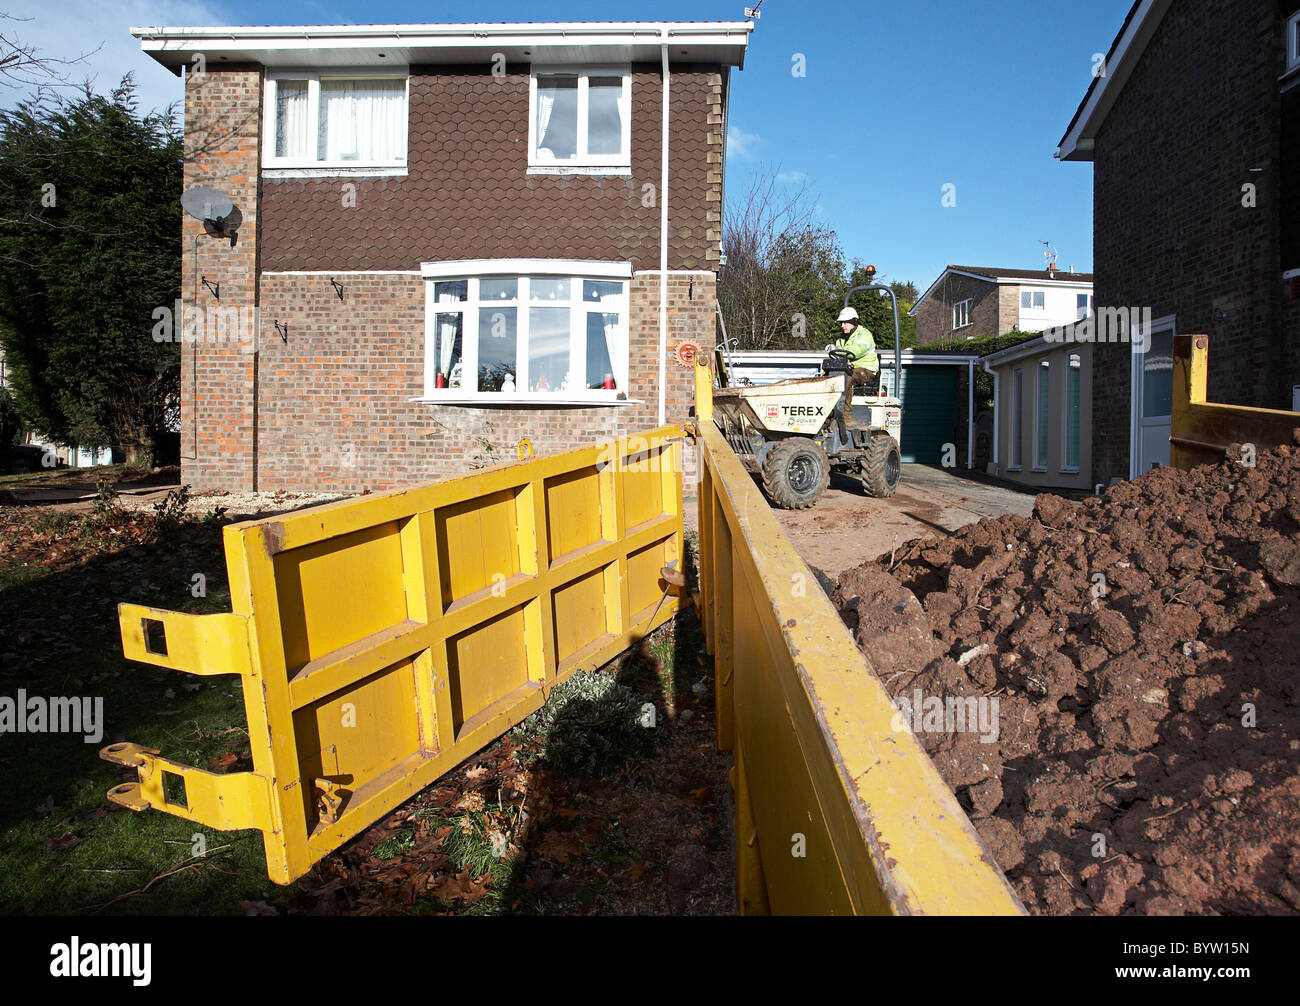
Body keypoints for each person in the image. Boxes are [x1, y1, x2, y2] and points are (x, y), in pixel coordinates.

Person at [834, 307, 880, 393]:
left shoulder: (864, 334)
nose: (842, 326)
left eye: (845, 323)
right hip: (850, 370)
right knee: (827, 378)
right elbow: (837, 355)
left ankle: (844, 406)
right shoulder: (842, 338)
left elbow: (854, 352)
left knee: (845, 380)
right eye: (841, 323)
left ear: (853, 322)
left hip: (866, 371)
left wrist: (837, 350)